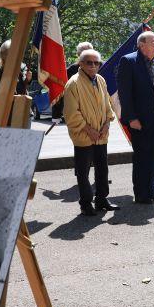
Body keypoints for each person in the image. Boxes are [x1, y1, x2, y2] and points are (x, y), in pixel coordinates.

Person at [117, 31, 154, 204]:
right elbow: (125, 94)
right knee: (142, 156)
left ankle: (151, 189)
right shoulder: (129, 61)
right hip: (139, 119)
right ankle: (141, 193)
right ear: (141, 45)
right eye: (153, 42)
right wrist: (132, 118)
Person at [64, 48, 118, 216]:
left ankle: (102, 199)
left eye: (97, 63)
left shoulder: (100, 80)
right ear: (80, 64)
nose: (93, 66)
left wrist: (107, 124)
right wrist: (89, 130)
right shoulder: (73, 83)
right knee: (83, 172)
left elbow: (108, 106)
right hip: (84, 136)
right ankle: (86, 204)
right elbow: (71, 114)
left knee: (102, 169)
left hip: (101, 135)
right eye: (89, 62)